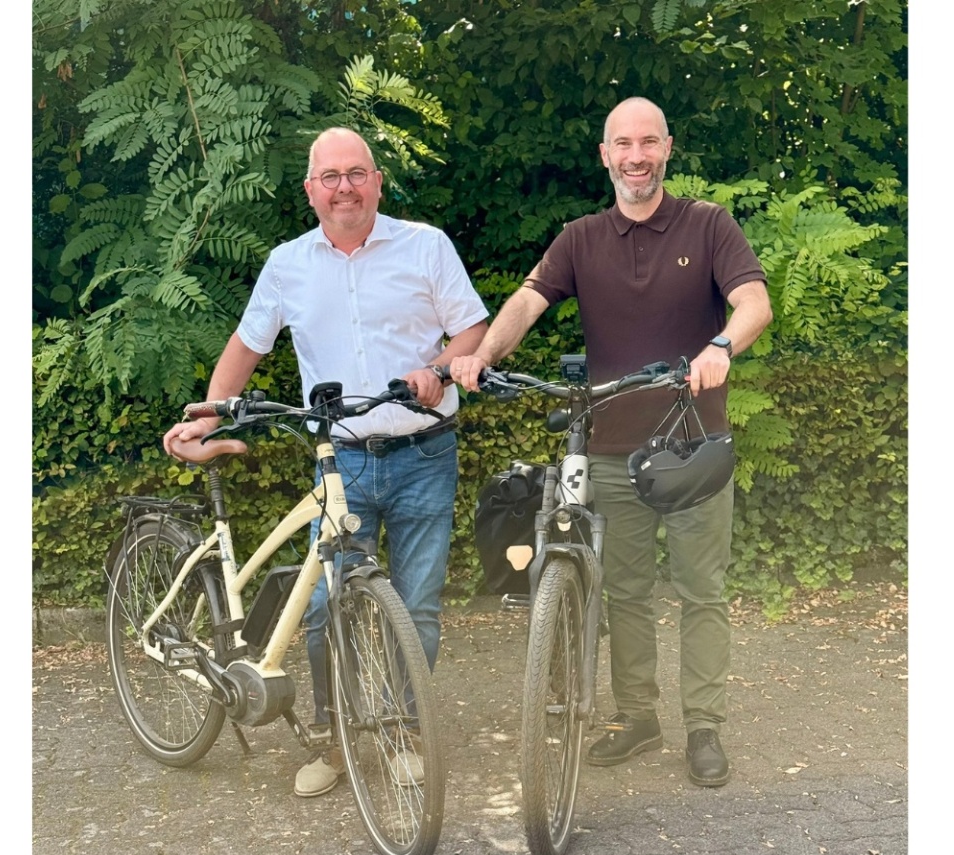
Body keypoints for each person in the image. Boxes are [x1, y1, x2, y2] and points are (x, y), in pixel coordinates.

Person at [450, 97, 772, 788]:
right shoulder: (580, 238)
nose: (635, 155)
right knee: (622, 591)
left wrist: (720, 345)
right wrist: (486, 357)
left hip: (693, 447)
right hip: (611, 450)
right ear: (605, 155)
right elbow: (528, 302)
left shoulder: (709, 225)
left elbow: (754, 303)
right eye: (623, 143)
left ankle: (705, 724)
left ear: (667, 149)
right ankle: (637, 715)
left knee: (700, 590)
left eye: (648, 142)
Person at [163, 127, 489, 798]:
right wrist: (204, 414)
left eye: (356, 173)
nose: (344, 186)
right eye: (330, 176)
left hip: (426, 453)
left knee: (418, 609)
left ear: (376, 181)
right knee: (324, 609)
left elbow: (472, 330)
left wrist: (436, 368)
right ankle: (337, 741)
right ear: (311, 190)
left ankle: (403, 733)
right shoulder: (288, 264)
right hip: (341, 462)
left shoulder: (425, 246)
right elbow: (248, 344)